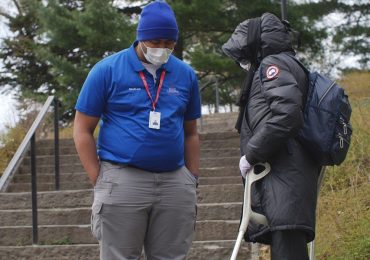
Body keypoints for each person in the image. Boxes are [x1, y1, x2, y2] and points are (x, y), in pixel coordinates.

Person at [73, 1, 201, 259]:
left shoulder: (185, 75)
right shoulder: (106, 70)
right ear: (141, 37)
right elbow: (82, 129)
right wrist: (99, 178)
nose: (162, 48)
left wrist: (191, 178)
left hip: (174, 181)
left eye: (169, 42)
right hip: (122, 177)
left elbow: (191, 132)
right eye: (156, 41)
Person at [222, 13, 321, 260]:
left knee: (288, 248)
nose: (243, 62)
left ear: (256, 44)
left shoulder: (272, 66)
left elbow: (286, 115)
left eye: (244, 55)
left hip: (284, 177)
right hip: (288, 178)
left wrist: (252, 153)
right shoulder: (287, 63)